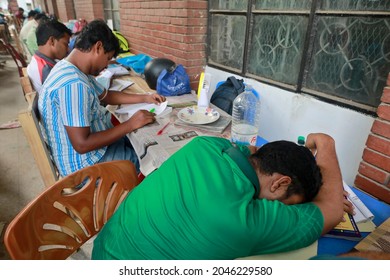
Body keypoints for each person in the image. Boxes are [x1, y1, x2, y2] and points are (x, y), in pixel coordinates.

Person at [92, 133, 349, 260]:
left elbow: (247, 149)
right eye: (290, 205)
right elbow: (332, 209)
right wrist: (326, 144)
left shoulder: (206, 144)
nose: (286, 210)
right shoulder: (244, 223)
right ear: (281, 183)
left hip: (103, 253)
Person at [38, 19, 166, 177]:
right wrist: (130, 123)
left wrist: (145, 98)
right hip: (85, 167)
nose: (107, 65)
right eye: (108, 58)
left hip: (92, 154)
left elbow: (107, 96)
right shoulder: (73, 84)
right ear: (98, 47)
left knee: (141, 142)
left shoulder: (73, 68)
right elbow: (82, 144)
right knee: (152, 164)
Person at [27, 18, 72, 94]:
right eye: (65, 44)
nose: (67, 49)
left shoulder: (38, 60)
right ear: (52, 41)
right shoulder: (47, 70)